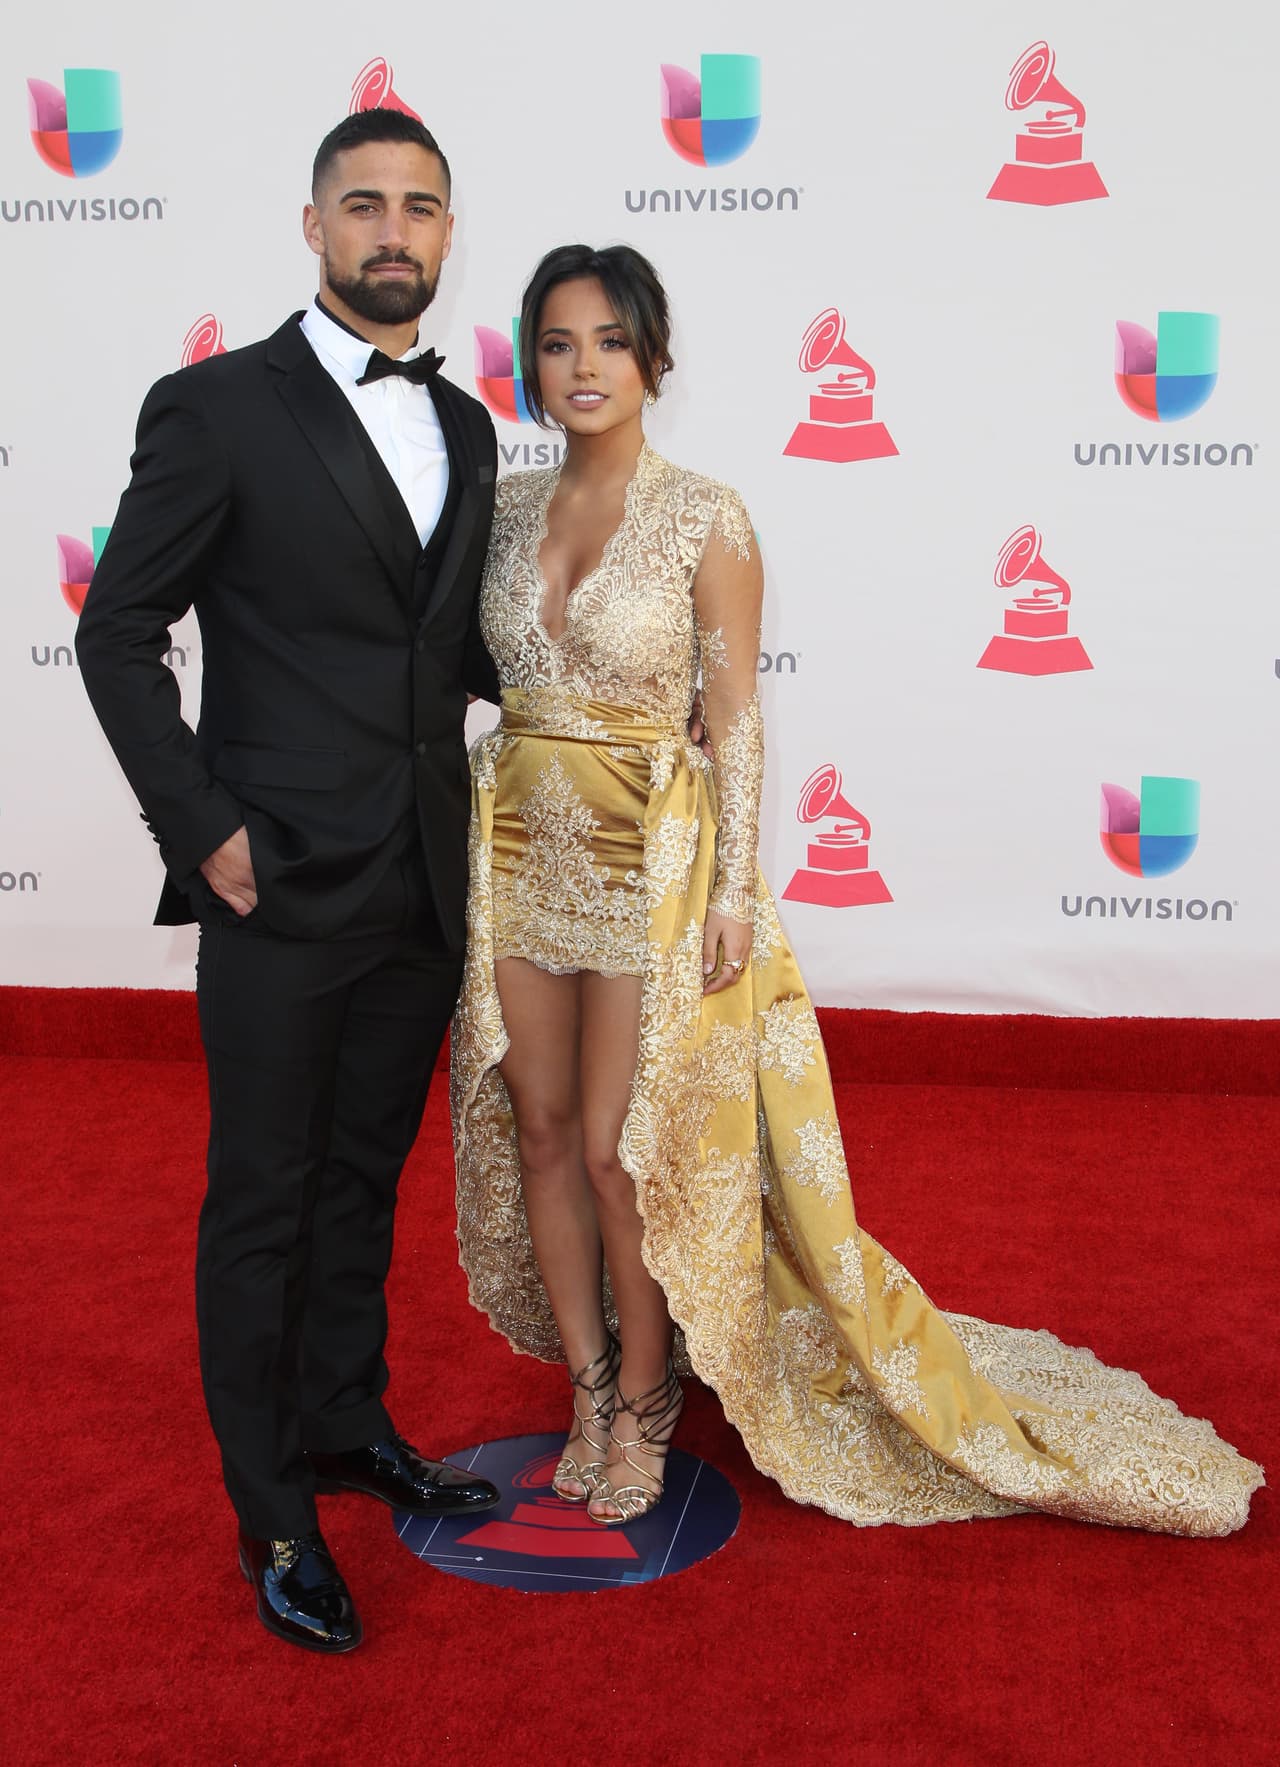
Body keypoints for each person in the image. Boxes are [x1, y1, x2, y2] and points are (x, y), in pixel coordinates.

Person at [451, 244, 1263, 1536]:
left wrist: (730, 893)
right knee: (542, 1132)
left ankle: (652, 1404)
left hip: (647, 868)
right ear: (531, 364)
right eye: (558, 343)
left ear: (655, 359)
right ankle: (590, 1390)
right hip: (516, 855)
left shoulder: (709, 516)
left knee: (619, 1152)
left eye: (610, 340)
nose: (584, 366)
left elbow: (739, 718)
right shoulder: (500, 508)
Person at [76, 109, 503, 1654]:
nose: (396, 230)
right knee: (260, 1200)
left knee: (360, 1179)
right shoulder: (214, 408)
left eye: (424, 208)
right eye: (367, 204)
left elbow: (444, 650)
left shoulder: (464, 432)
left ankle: (343, 1421)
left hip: (419, 883)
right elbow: (118, 632)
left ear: (450, 237)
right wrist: (202, 829)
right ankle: (271, 1518)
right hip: (274, 881)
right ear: (314, 225)